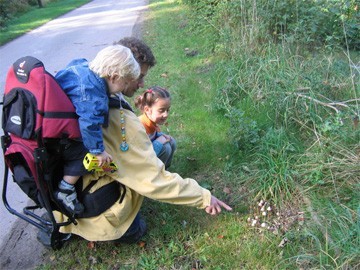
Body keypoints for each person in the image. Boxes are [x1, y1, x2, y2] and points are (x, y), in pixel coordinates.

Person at [52, 37, 232, 244]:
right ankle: (82, 225)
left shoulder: (89, 82)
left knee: (162, 147)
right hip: (91, 204)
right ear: (119, 74)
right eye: (139, 77)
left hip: (77, 179)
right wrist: (203, 197)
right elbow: (151, 178)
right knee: (136, 229)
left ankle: (65, 217)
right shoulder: (108, 117)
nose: (142, 84)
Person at [53, 45, 141, 215]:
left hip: (59, 118)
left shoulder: (84, 66)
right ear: (114, 77)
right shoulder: (93, 96)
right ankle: (65, 188)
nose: (124, 88)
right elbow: (89, 124)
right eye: (125, 83)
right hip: (60, 140)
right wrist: (98, 151)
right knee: (85, 153)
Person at [135, 86, 176, 169]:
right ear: (147, 110)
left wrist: (160, 135)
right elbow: (142, 157)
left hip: (147, 154)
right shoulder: (139, 127)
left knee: (171, 142)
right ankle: (157, 175)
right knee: (165, 148)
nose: (166, 114)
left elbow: (151, 136)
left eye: (167, 110)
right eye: (161, 110)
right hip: (139, 165)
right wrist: (158, 143)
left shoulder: (150, 122)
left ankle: (165, 170)